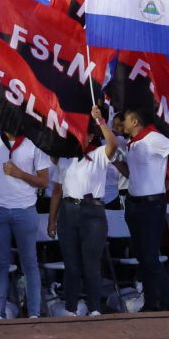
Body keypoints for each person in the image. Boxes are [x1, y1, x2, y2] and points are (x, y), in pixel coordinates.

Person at [117, 107, 169, 312]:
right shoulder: (131, 144)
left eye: (124, 120)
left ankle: (167, 301)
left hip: (152, 203)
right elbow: (132, 172)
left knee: (150, 255)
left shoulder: (153, 138)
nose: (121, 125)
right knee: (142, 255)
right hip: (135, 202)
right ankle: (152, 302)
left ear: (134, 121)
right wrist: (116, 163)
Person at [47, 108, 115, 317]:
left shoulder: (98, 154)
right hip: (68, 212)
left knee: (91, 264)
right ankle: (71, 308)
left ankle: (95, 308)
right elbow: (57, 190)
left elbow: (113, 145)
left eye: (80, 132)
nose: (76, 136)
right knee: (72, 265)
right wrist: (52, 220)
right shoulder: (66, 158)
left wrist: (100, 121)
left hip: (92, 212)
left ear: (91, 135)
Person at [0, 128, 48, 319]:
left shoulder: (34, 142)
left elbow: (44, 181)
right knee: (0, 263)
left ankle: (33, 313)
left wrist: (19, 174)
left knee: (29, 263)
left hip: (25, 210)